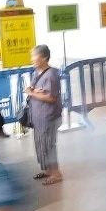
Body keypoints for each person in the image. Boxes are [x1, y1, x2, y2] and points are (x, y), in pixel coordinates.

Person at [25, 45, 63, 186]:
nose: (32, 59)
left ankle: (56, 173)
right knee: (42, 145)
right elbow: (33, 89)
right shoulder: (38, 72)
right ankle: (48, 170)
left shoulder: (51, 74)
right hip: (39, 116)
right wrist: (33, 90)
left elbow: (51, 98)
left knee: (49, 145)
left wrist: (32, 93)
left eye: (34, 56)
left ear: (44, 58)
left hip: (49, 116)